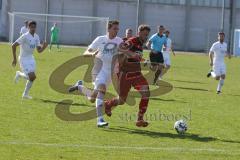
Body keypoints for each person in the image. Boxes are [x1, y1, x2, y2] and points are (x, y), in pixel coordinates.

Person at [68, 20, 123, 127]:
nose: (116, 31)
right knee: (102, 90)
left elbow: (124, 54)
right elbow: (86, 52)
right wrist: (92, 53)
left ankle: (79, 87)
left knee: (92, 98)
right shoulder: (100, 39)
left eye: (117, 29)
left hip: (111, 73)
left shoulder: (119, 41)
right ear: (108, 29)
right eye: (114, 28)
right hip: (99, 69)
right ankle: (100, 120)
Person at [104, 25, 151, 127]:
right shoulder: (132, 40)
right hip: (125, 74)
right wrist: (131, 54)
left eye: (147, 35)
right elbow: (120, 48)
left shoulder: (141, 43)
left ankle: (140, 119)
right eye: (144, 35)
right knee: (121, 101)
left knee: (146, 93)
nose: (146, 37)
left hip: (136, 74)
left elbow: (135, 56)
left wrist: (143, 60)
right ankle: (107, 104)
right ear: (139, 33)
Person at [12, 21, 48, 99]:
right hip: (23, 59)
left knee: (32, 78)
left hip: (31, 58)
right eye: (31, 27)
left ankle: (25, 94)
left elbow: (39, 51)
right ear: (28, 28)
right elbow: (13, 45)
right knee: (32, 76)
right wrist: (14, 59)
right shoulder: (24, 36)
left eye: (34, 27)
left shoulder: (36, 37)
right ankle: (19, 74)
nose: (33, 29)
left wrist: (44, 47)